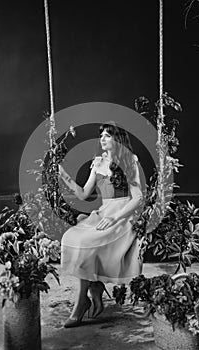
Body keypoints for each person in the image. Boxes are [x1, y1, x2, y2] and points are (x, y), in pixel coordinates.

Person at [58, 121, 143, 328]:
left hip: (123, 216)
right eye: (101, 135)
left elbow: (137, 198)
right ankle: (93, 287)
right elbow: (84, 194)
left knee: (88, 241)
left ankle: (80, 304)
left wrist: (116, 218)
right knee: (73, 237)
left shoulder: (130, 161)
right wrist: (64, 176)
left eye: (107, 135)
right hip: (103, 213)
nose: (102, 138)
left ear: (118, 140)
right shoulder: (97, 163)